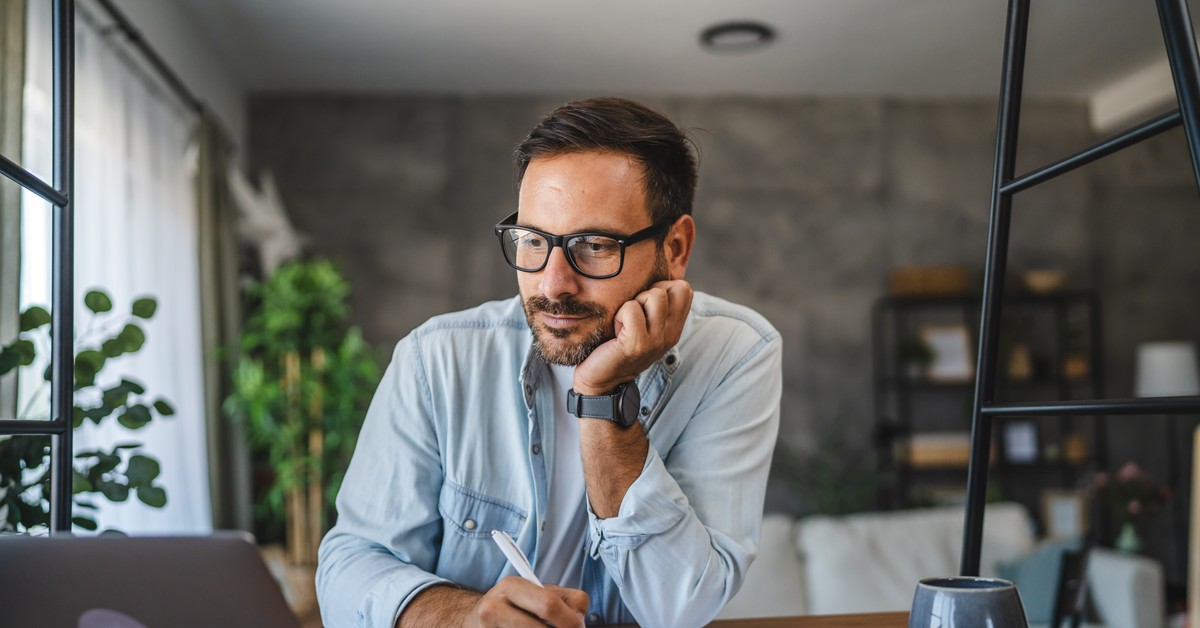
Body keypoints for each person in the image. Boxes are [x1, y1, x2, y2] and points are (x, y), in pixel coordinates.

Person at [316, 97, 782, 628]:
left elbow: (678, 608)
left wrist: (605, 396)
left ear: (674, 247)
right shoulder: (436, 360)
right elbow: (347, 567)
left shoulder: (736, 354)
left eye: (594, 245)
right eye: (534, 241)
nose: (553, 285)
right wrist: (464, 617)